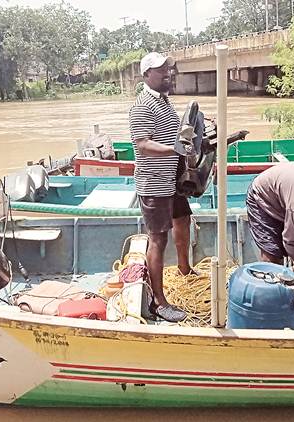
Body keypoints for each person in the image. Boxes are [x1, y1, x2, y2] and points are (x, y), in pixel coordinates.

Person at [129, 52, 191, 323]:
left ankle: (184, 268)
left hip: (172, 179)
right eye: (160, 70)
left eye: (168, 69)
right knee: (158, 238)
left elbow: (174, 131)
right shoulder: (142, 105)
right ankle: (159, 302)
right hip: (154, 183)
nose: (167, 73)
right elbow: (142, 144)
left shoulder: (164, 101)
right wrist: (174, 149)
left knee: (183, 219)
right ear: (146, 75)